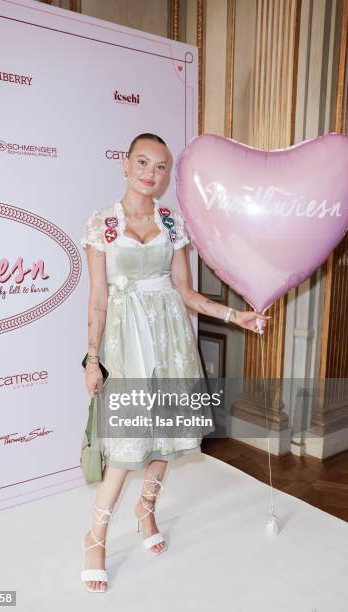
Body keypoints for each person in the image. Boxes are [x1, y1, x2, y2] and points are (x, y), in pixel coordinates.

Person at [79, 133, 270, 593]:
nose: (150, 172)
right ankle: (95, 536)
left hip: (171, 340)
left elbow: (186, 293)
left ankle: (146, 510)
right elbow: (99, 300)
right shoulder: (101, 223)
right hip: (127, 344)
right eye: (142, 162)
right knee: (125, 448)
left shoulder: (172, 223)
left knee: (166, 439)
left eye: (161, 166)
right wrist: (91, 358)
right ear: (124, 164)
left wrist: (234, 315)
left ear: (167, 176)